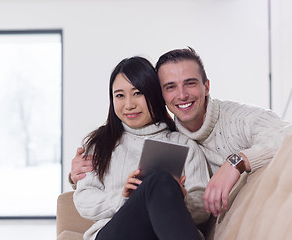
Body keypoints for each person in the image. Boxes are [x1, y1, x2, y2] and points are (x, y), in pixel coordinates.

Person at [70, 47, 292, 219]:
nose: (182, 95)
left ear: (206, 87)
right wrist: (78, 177)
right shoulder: (160, 134)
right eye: (170, 87)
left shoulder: (229, 123)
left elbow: (287, 135)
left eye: (190, 83)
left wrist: (235, 162)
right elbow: (92, 191)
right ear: (161, 94)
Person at [73, 56, 210, 240]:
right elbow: (83, 200)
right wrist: (121, 198)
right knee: (158, 180)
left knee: (160, 182)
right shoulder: (99, 144)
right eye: (120, 95)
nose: (129, 105)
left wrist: (176, 197)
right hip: (114, 234)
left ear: (154, 94)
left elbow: (202, 209)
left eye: (137, 93)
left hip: (163, 233)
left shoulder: (184, 145)